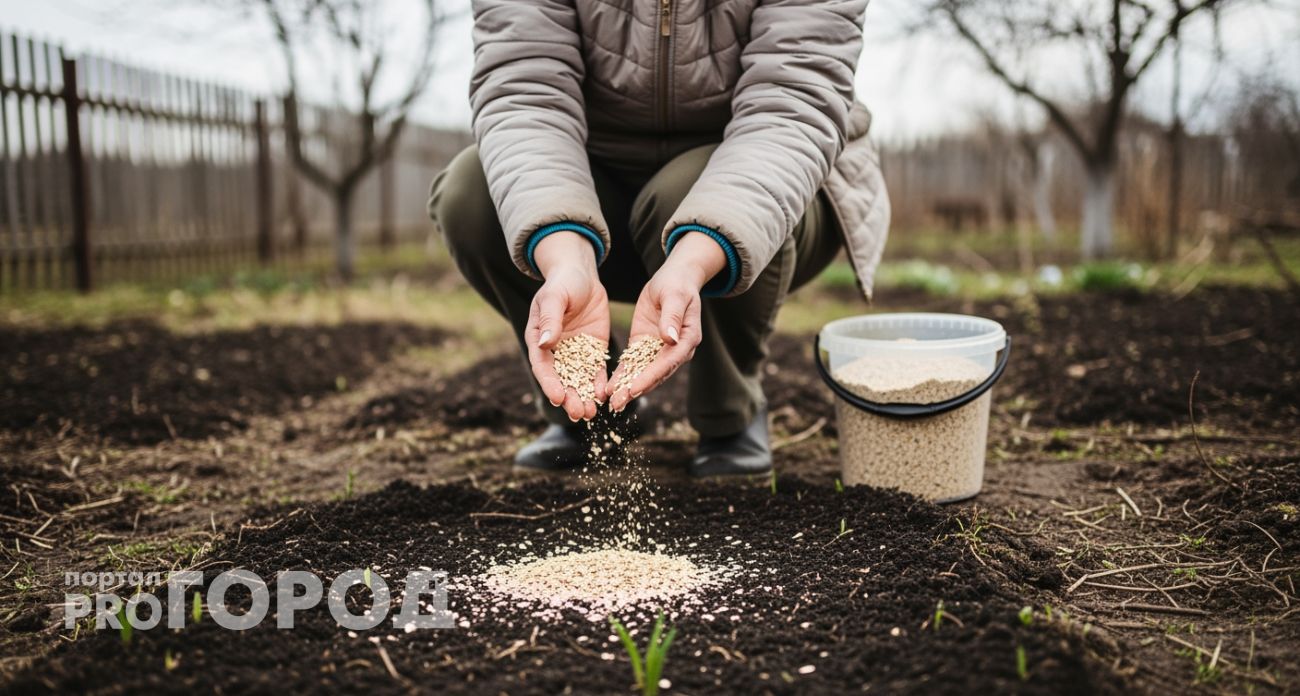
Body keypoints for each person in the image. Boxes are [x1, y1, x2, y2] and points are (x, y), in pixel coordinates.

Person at [428, 0, 890, 476]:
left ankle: (729, 413)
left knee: (682, 194)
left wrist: (692, 260)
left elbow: (793, 104)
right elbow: (525, 93)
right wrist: (567, 256)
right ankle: (591, 408)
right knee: (472, 193)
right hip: (593, 186)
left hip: (760, 184)